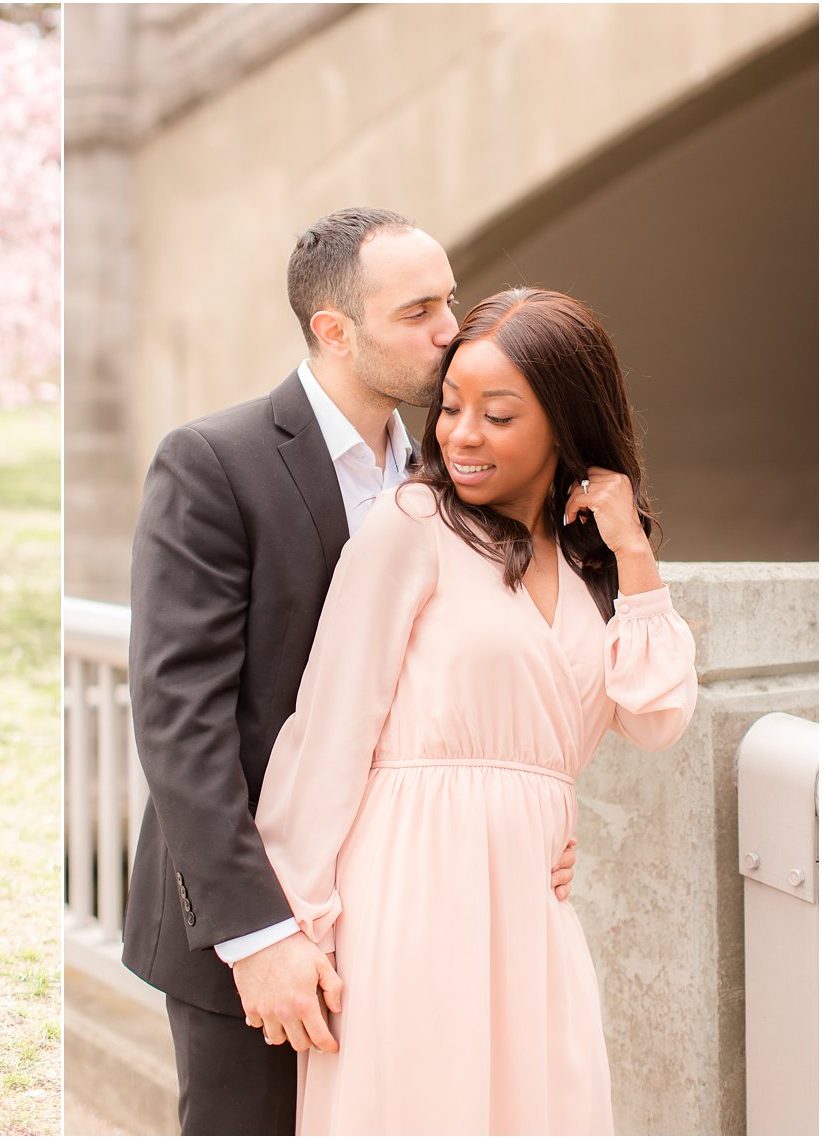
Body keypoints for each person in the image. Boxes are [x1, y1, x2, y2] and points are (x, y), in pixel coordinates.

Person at [123, 208, 580, 1134]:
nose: (452, 329)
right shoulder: (215, 461)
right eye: (419, 310)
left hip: (407, 923)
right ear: (335, 330)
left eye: (449, 298)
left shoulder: (460, 482)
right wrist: (260, 937)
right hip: (248, 926)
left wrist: (533, 822)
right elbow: (181, 721)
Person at [255, 287, 698, 1133]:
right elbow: (330, 729)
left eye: (499, 415)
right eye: (452, 406)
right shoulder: (412, 522)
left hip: (532, 906)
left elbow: (657, 714)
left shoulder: (591, 564)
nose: (460, 434)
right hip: (407, 890)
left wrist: (632, 550)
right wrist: (295, 922)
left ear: (566, 424)